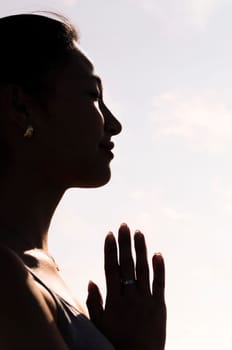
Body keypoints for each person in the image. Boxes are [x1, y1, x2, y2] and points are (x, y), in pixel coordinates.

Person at [0, 13, 167, 349]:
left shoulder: (35, 271)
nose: (114, 123)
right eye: (93, 97)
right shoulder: (5, 277)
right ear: (21, 107)